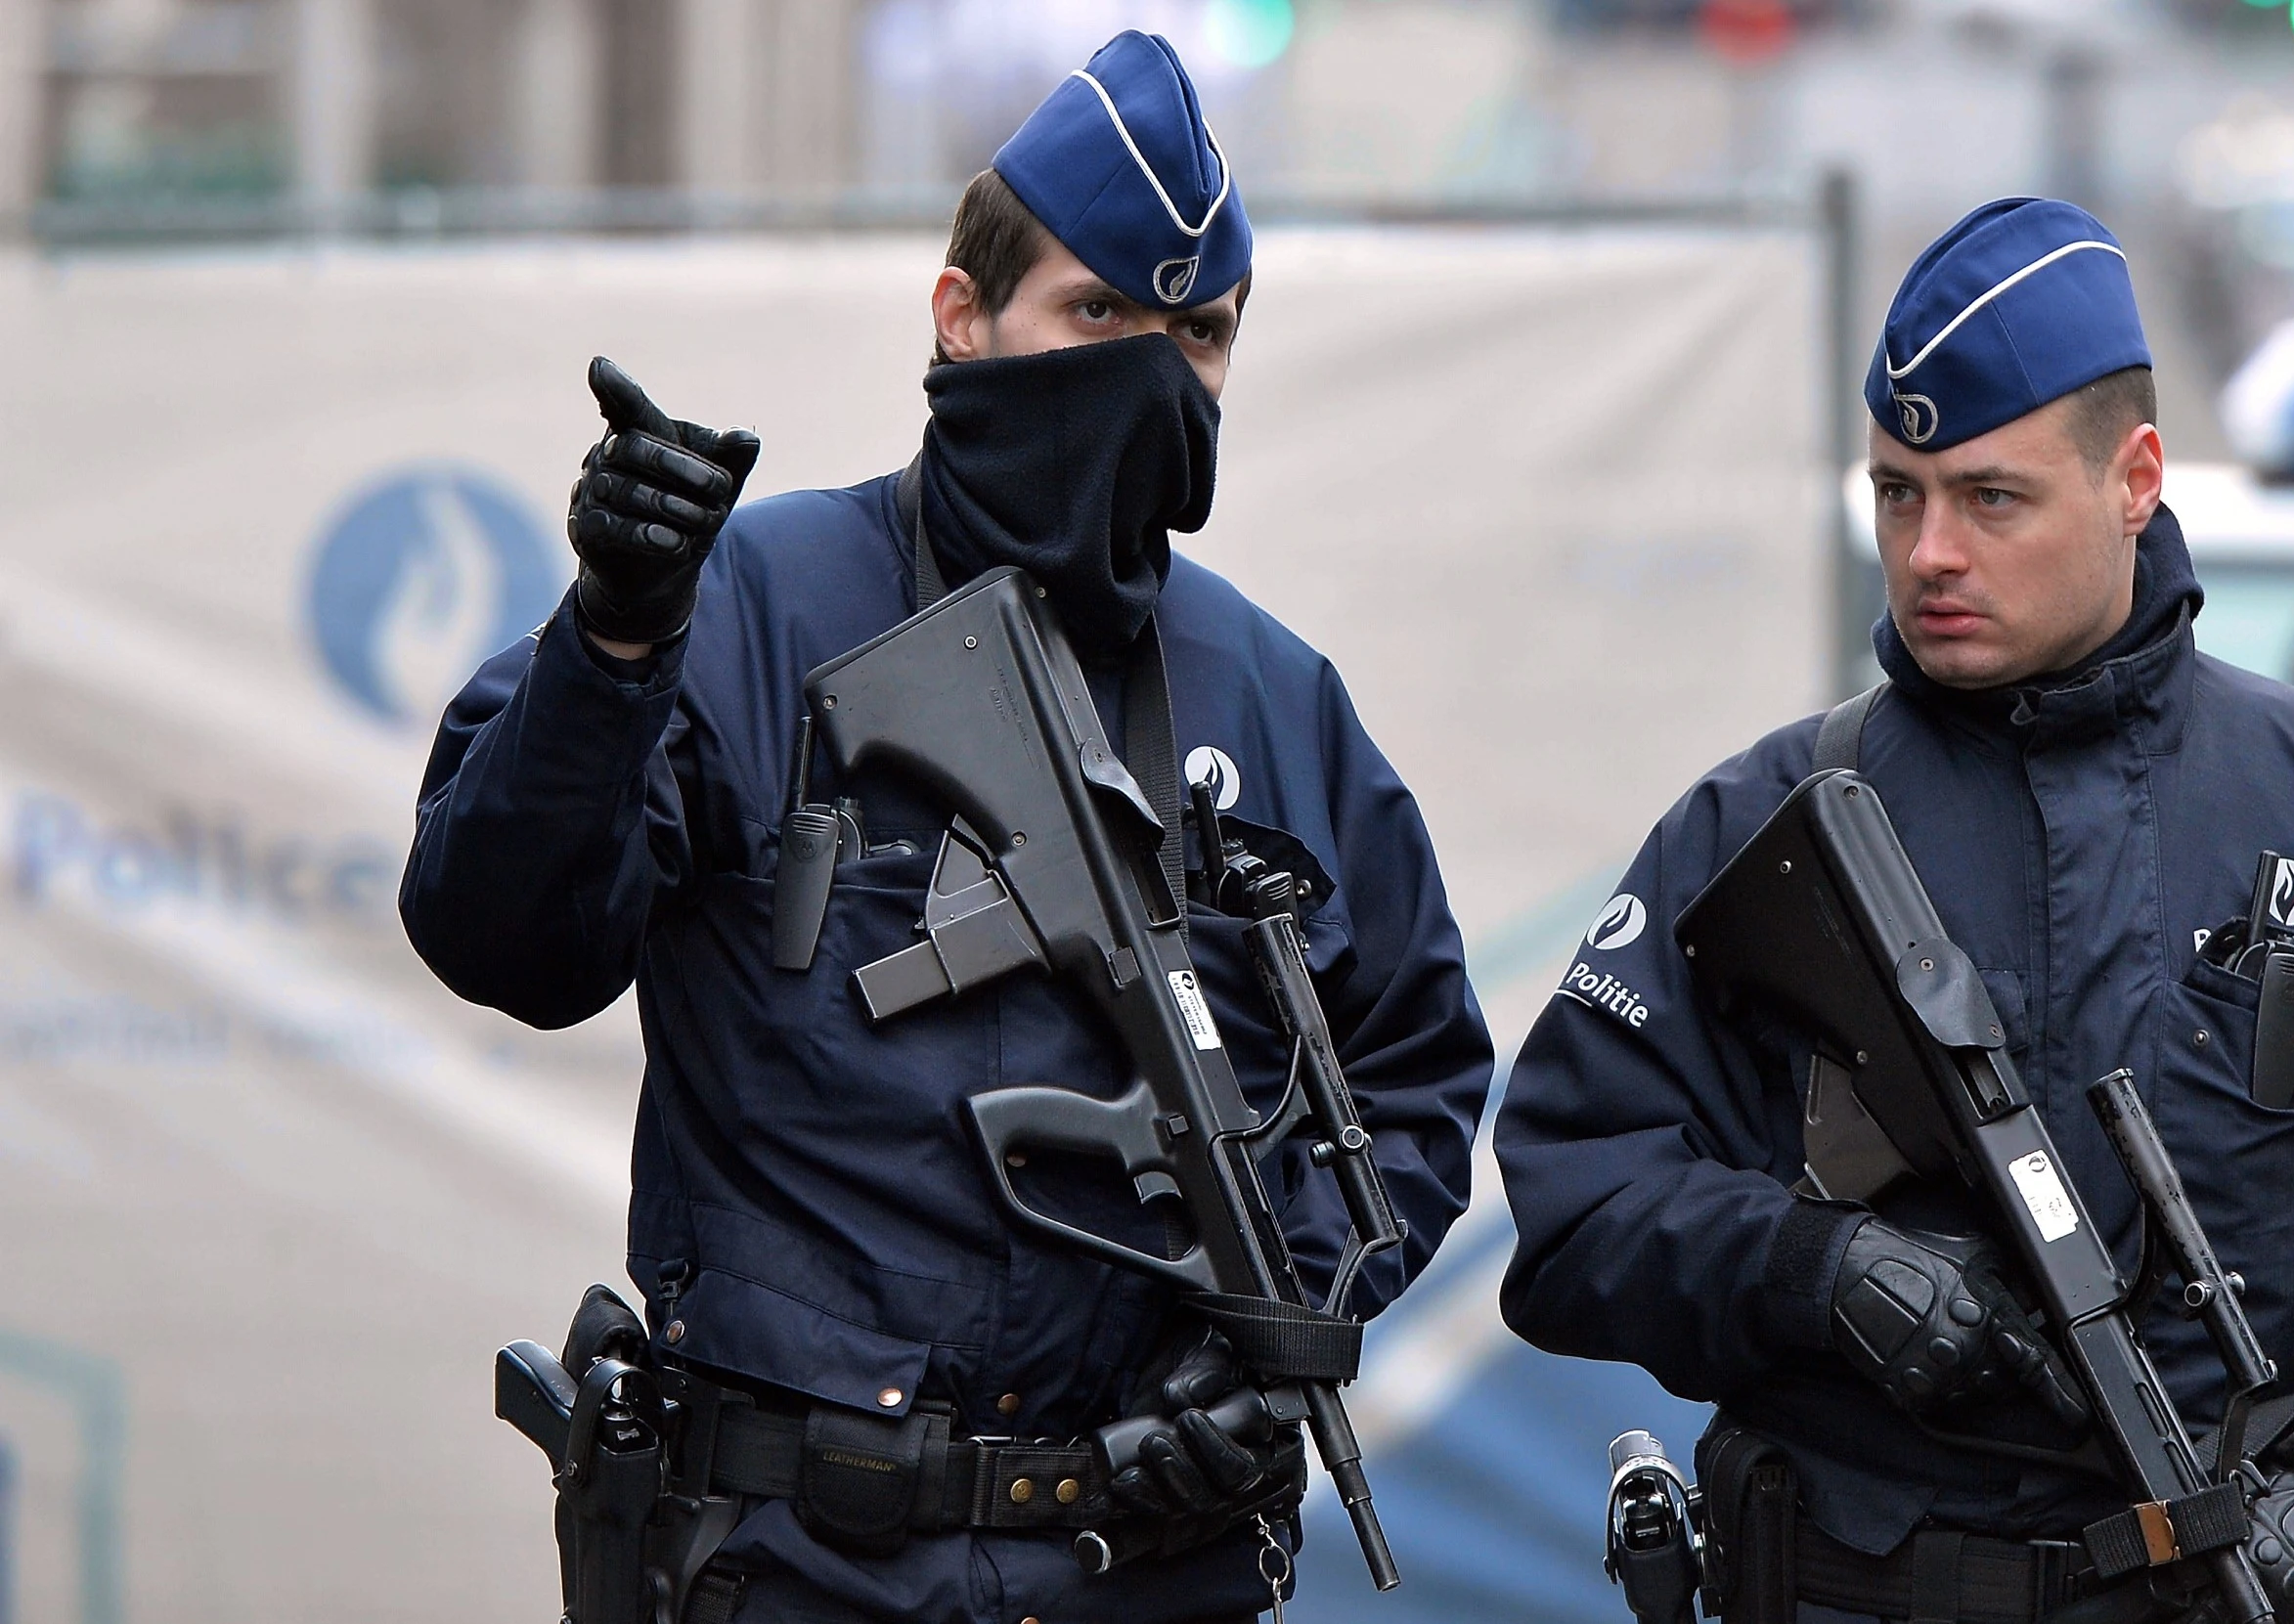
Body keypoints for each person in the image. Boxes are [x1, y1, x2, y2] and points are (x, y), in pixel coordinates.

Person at [401, 31, 1492, 1624]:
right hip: (797, 1566)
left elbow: (1413, 1071)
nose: (1148, 374)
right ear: (961, 317)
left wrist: (1276, 1331)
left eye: (1197, 332)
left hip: (1148, 1567)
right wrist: (615, 646)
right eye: (1097, 313)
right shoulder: (759, 608)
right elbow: (504, 936)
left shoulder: (1270, 697)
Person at [1496, 199, 2294, 1624]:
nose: (1928, 554)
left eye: (1991, 498)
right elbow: (1574, 1190)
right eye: (1896, 495)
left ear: (2136, 478)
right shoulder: (1769, 822)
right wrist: (1814, 1268)